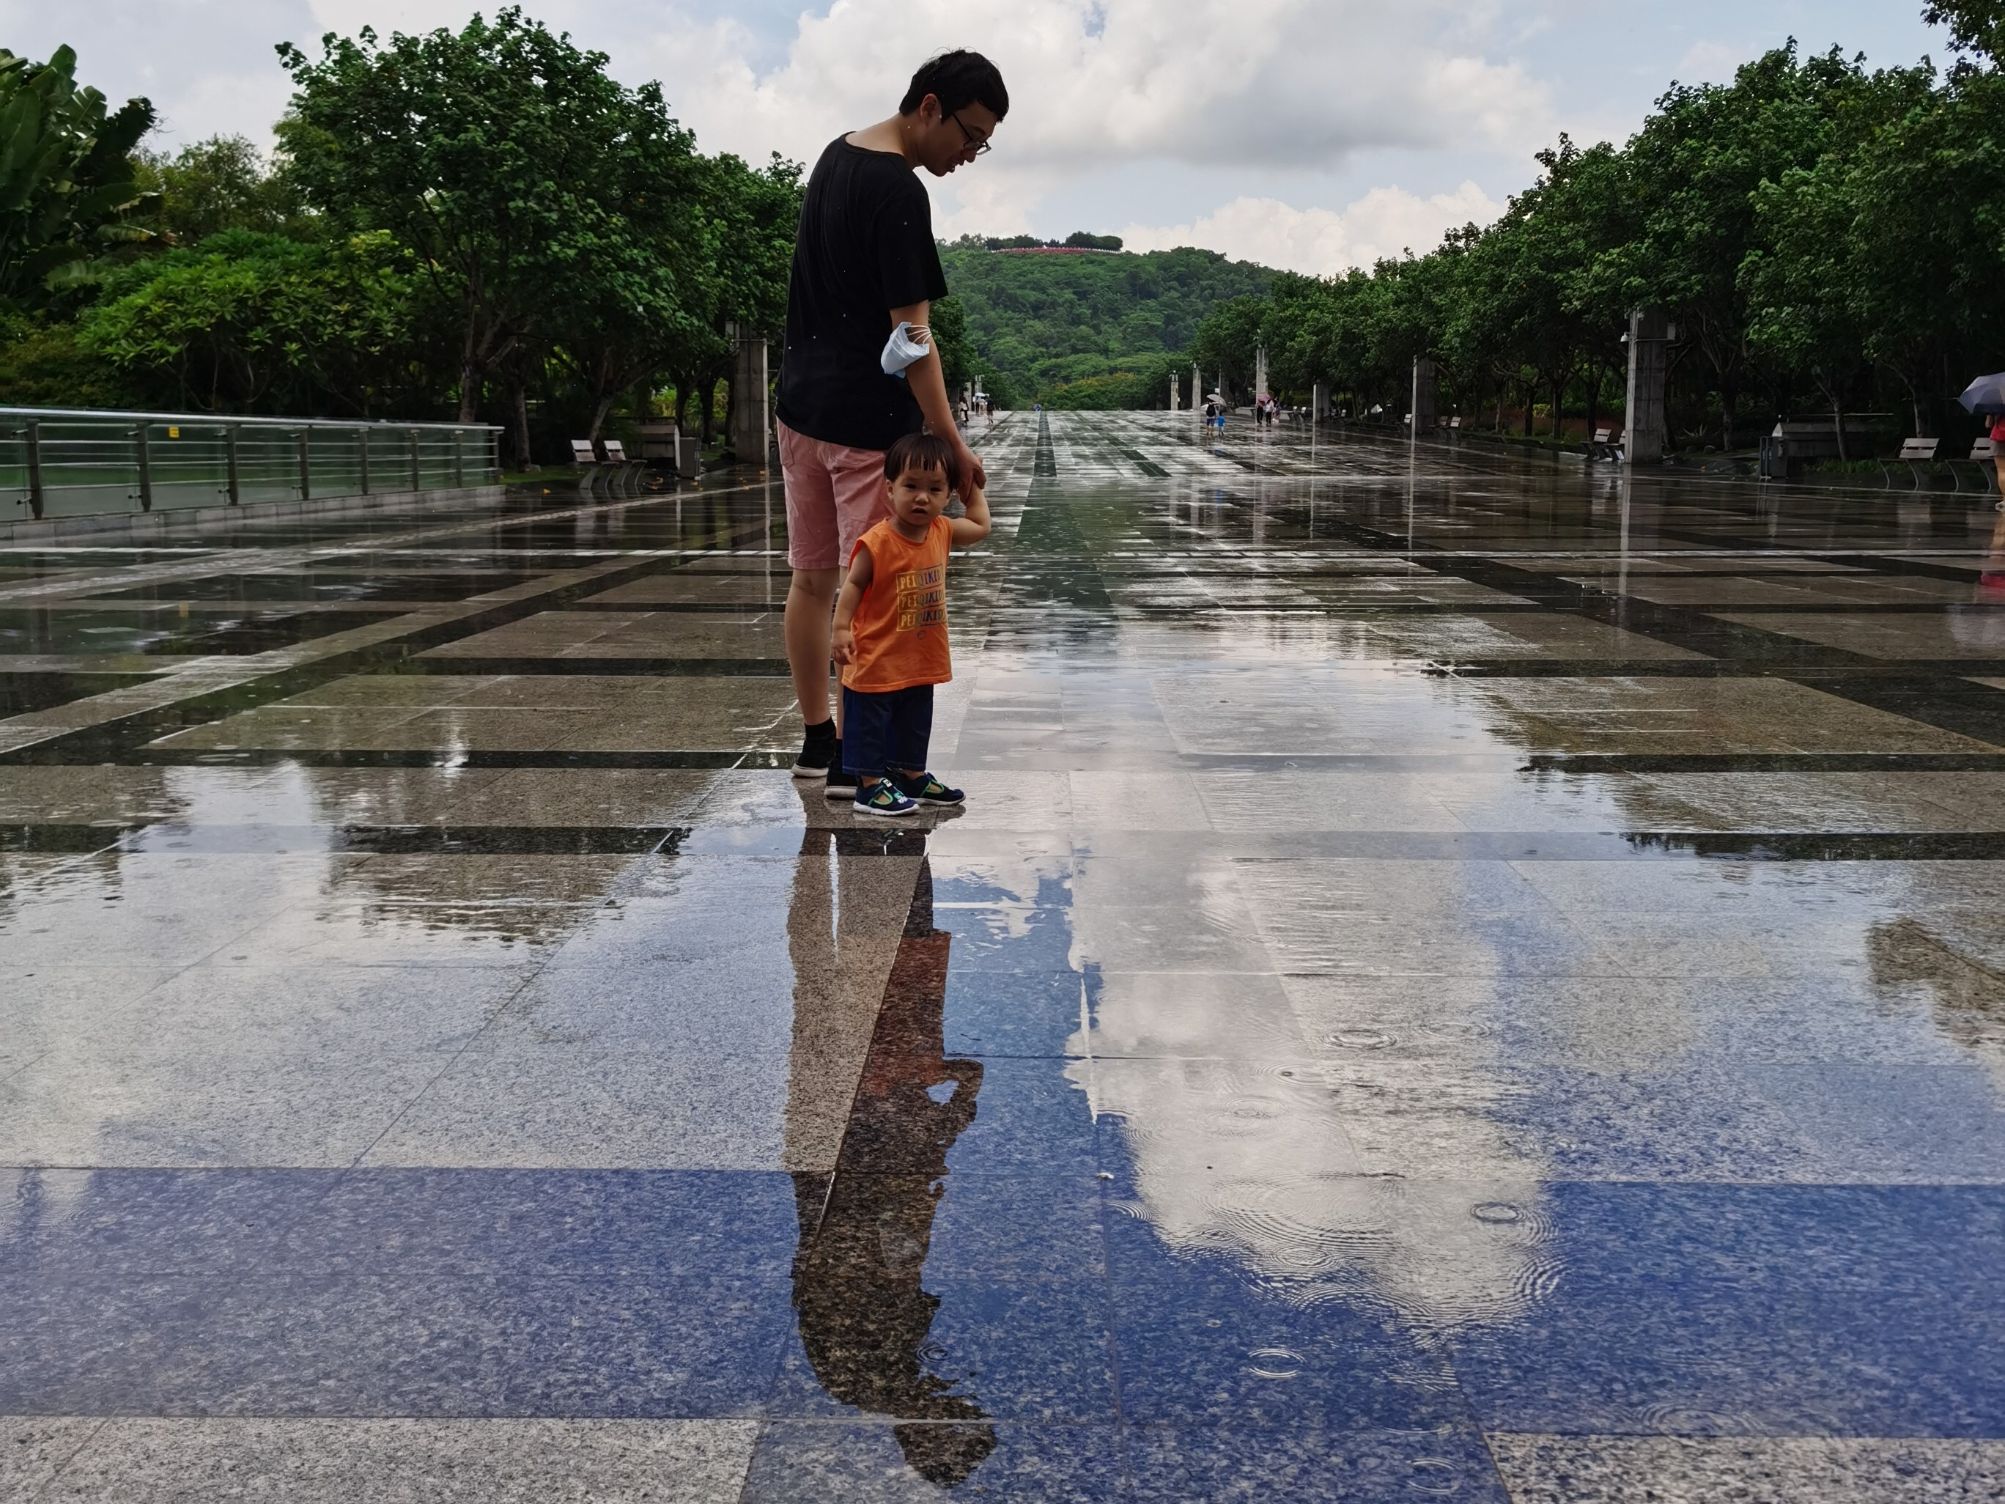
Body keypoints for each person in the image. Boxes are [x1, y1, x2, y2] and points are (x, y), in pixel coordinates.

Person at [776, 50, 1007, 801]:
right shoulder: (898, 191)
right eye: (968, 135)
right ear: (929, 107)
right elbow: (911, 340)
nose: (969, 154)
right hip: (863, 429)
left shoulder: (834, 157)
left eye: (983, 145)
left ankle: (821, 742)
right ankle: (861, 760)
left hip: (798, 412)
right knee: (873, 593)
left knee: (812, 582)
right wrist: (948, 442)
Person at [831, 433, 991, 818]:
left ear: (947, 494)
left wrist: (972, 487)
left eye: (934, 489)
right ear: (890, 490)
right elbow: (852, 583)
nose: (922, 498)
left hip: (919, 656)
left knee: (916, 720)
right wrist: (840, 629)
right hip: (877, 655)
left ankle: (911, 775)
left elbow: (981, 526)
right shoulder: (878, 541)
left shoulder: (942, 532)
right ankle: (867, 788)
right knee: (870, 721)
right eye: (911, 486)